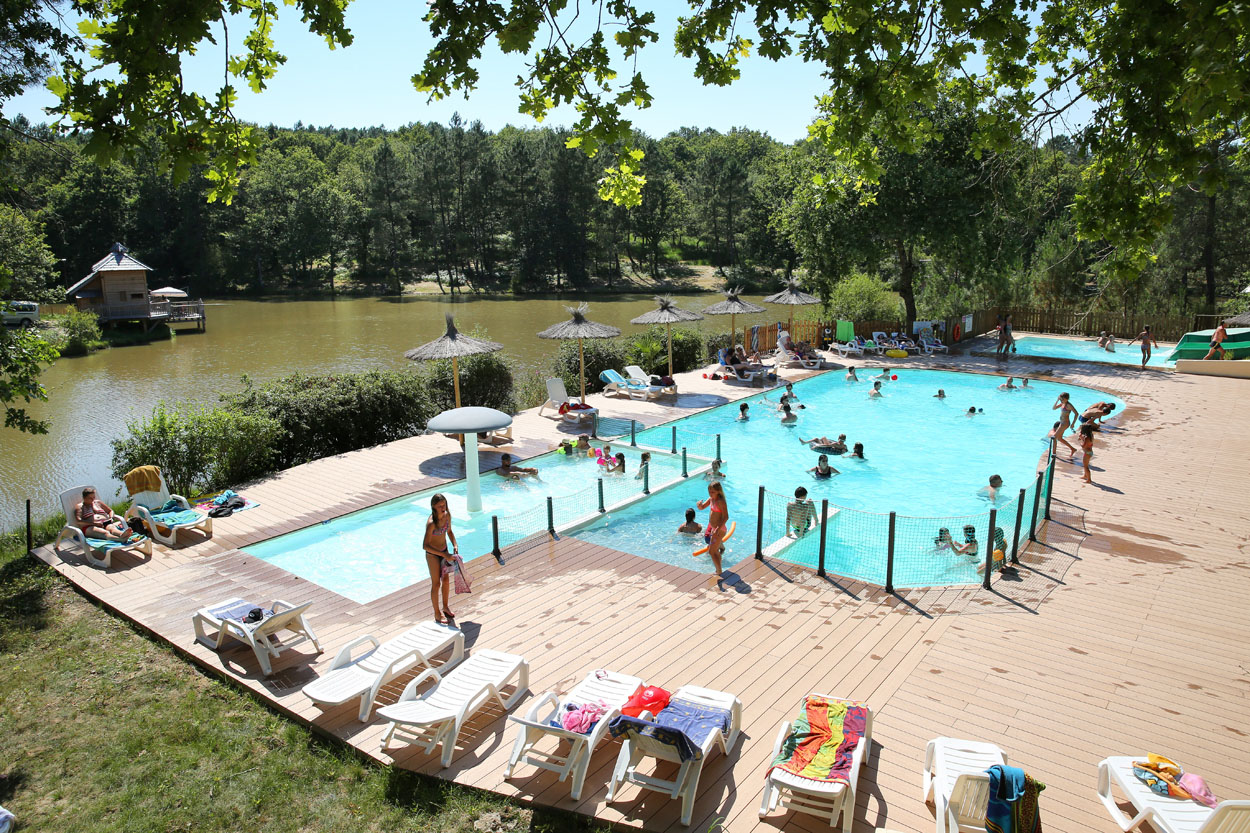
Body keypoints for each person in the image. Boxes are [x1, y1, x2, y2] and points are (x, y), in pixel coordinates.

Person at [423, 493, 458, 624]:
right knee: (436, 583)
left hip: (444, 551)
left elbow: (449, 532)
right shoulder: (431, 523)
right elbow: (425, 546)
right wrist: (445, 555)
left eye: (444, 505)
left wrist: (455, 544)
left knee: (446, 580)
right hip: (433, 555)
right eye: (440, 506)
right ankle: (437, 614)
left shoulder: (447, 516)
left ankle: (445, 606)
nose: (443, 508)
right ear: (433, 507)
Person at [695, 481, 729, 575]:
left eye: (713, 492)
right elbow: (702, 508)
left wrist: (717, 529)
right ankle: (719, 569)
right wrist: (699, 505)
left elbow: (726, 517)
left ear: (718, 491)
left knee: (711, 551)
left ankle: (719, 571)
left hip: (719, 529)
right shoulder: (711, 499)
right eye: (709, 491)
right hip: (714, 529)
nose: (711, 493)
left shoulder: (720, 501)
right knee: (714, 551)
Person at [1052, 391, 1078, 458]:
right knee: (1059, 438)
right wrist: (1057, 400)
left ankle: (1053, 454)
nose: (1061, 400)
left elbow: (1076, 413)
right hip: (1062, 423)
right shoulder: (1062, 404)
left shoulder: (1068, 405)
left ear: (1067, 398)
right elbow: (1054, 408)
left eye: (1062, 399)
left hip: (1065, 423)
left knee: (1054, 437)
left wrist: (1073, 424)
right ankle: (1072, 449)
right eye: (1061, 399)